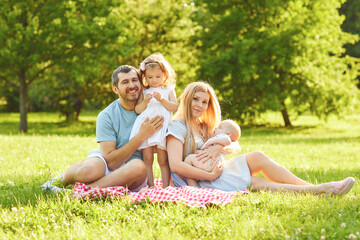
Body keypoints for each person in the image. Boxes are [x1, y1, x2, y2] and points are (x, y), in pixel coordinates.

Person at [166, 81, 355, 196]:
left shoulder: (205, 124)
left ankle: (317, 188)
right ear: (187, 99)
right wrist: (209, 175)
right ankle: (321, 190)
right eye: (195, 99)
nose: (199, 105)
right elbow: (176, 165)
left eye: (204, 101)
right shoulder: (178, 126)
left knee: (257, 156)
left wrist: (219, 148)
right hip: (200, 180)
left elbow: (235, 144)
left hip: (216, 172)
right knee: (255, 182)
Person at [61, 65, 164, 191]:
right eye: (125, 82)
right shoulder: (106, 115)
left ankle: (85, 190)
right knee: (87, 171)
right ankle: (63, 179)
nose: (131, 85)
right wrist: (141, 136)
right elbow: (111, 162)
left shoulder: (154, 109)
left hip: (133, 170)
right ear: (115, 89)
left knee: (138, 166)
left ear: (141, 83)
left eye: (134, 80)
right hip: (106, 162)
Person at [129, 53, 178, 188]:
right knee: (148, 158)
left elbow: (175, 107)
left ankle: (166, 186)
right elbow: (138, 110)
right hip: (146, 127)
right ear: (144, 77)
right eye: (150, 77)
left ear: (165, 74)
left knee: (163, 159)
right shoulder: (144, 91)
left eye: (158, 76)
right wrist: (145, 102)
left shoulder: (168, 89)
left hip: (161, 127)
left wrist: (162, 100)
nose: (154, 80)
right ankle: (150, 185)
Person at [184, 119, 241, 187]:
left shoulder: (223, 137)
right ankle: (194, 188)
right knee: (192, 174)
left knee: (188, 159)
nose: (216, 128)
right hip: (211, 164)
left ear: (228, 134)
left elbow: (228, 140)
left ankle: (193, 188)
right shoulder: (218, 138)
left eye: (220, 127)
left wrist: (215, 141)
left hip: (211, 162)